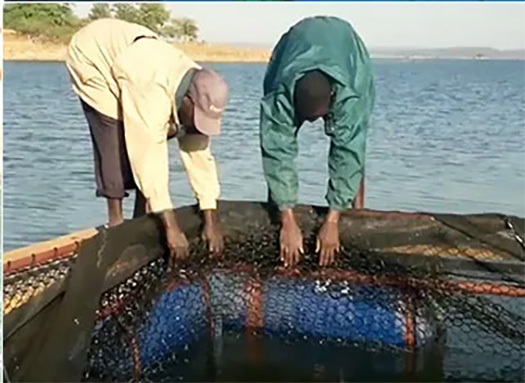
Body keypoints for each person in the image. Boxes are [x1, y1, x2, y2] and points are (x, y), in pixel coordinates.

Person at [66, 18, 229, 260]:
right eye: (196, 117)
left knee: (169, 132)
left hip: (135, 56)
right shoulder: (150, 88)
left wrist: (211, 219)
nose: (197, 125)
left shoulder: (201, 84)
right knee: (116, 135)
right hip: (92, 56)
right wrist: (172, 228)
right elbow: (148, 156)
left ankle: (142, 217)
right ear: (187, 101)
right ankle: (117, 224)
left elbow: (200, 158)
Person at [259, 16, 375, 268]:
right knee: (276, 145)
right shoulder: (281, 96)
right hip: (293, 45)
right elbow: (277, 151)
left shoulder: (348, 97)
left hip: (346, 51)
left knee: (352, 145)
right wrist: (289, 222)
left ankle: (352, 212)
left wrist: (332, 221)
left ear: (333, 98)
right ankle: (281, 213)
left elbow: (348, 151)